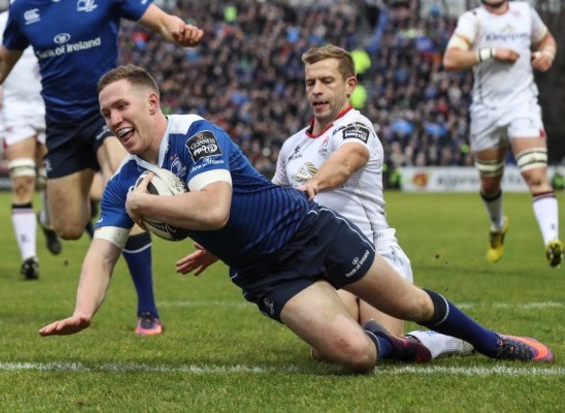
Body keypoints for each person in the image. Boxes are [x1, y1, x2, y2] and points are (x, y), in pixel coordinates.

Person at [38, 65, 554, 372]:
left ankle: (491, 342)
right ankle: (400, 347)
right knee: (356, 356)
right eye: (106, 114)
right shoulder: (128, 180)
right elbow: (102, 252)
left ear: (151, 102)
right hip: (266, 275)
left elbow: (215, 209)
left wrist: (147, 207)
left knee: (413, 302)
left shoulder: (196, 134)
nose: (114, 120)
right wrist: (84, 310)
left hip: (305, 228)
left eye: (121, 107)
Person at [0, 1, 203, 334]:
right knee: (69, 227)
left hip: (106, 115)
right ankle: (50, 215)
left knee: (131, 195)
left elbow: (160, 20)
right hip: (61, 127)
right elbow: (2, 61)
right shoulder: (23, 9)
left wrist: (177, 30)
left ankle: (147, 311)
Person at [272, 44, 470, 360]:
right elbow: (271, 204)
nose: (317, 90)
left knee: (387, 344)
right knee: (327, 352)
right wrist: (216, 248)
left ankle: (440, 339)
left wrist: (314, 184)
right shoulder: (291, 146)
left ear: (350, 85)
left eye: (327, 81)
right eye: (311, 83)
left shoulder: (356, 126)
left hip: (378, 259)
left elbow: (348, 159)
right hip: (332, 267)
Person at [442, 0, 562, 267]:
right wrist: (492, 52)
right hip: (486, 112)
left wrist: (548, 55)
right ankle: (497, 225)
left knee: (535, 175)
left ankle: (552, 241)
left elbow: (547, 41)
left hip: (523, 106)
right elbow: (451, 59)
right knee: (489, 184)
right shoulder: (473, 19)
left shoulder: (525, 13)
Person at [0, 10, 61, 280]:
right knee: (22, 180)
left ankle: (46, 220)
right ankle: (29, 258)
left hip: (53, 108)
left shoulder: (57, 14)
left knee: (52, 180)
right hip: (15, 111)